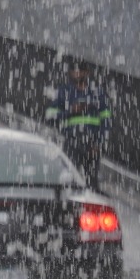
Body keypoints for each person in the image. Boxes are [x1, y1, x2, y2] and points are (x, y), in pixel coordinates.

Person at [45, 61, 110, 189]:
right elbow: (50, 116)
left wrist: (98, 143)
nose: (77, 74)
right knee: (68, 176)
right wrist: (70, 112)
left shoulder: (97, 93)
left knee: (91, 180)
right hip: (71, 141)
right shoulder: (64, 92)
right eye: (74, 71)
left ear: (87, 73)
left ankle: (91, 198)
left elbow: (106, 121)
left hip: (92, 143)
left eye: (80, 71)